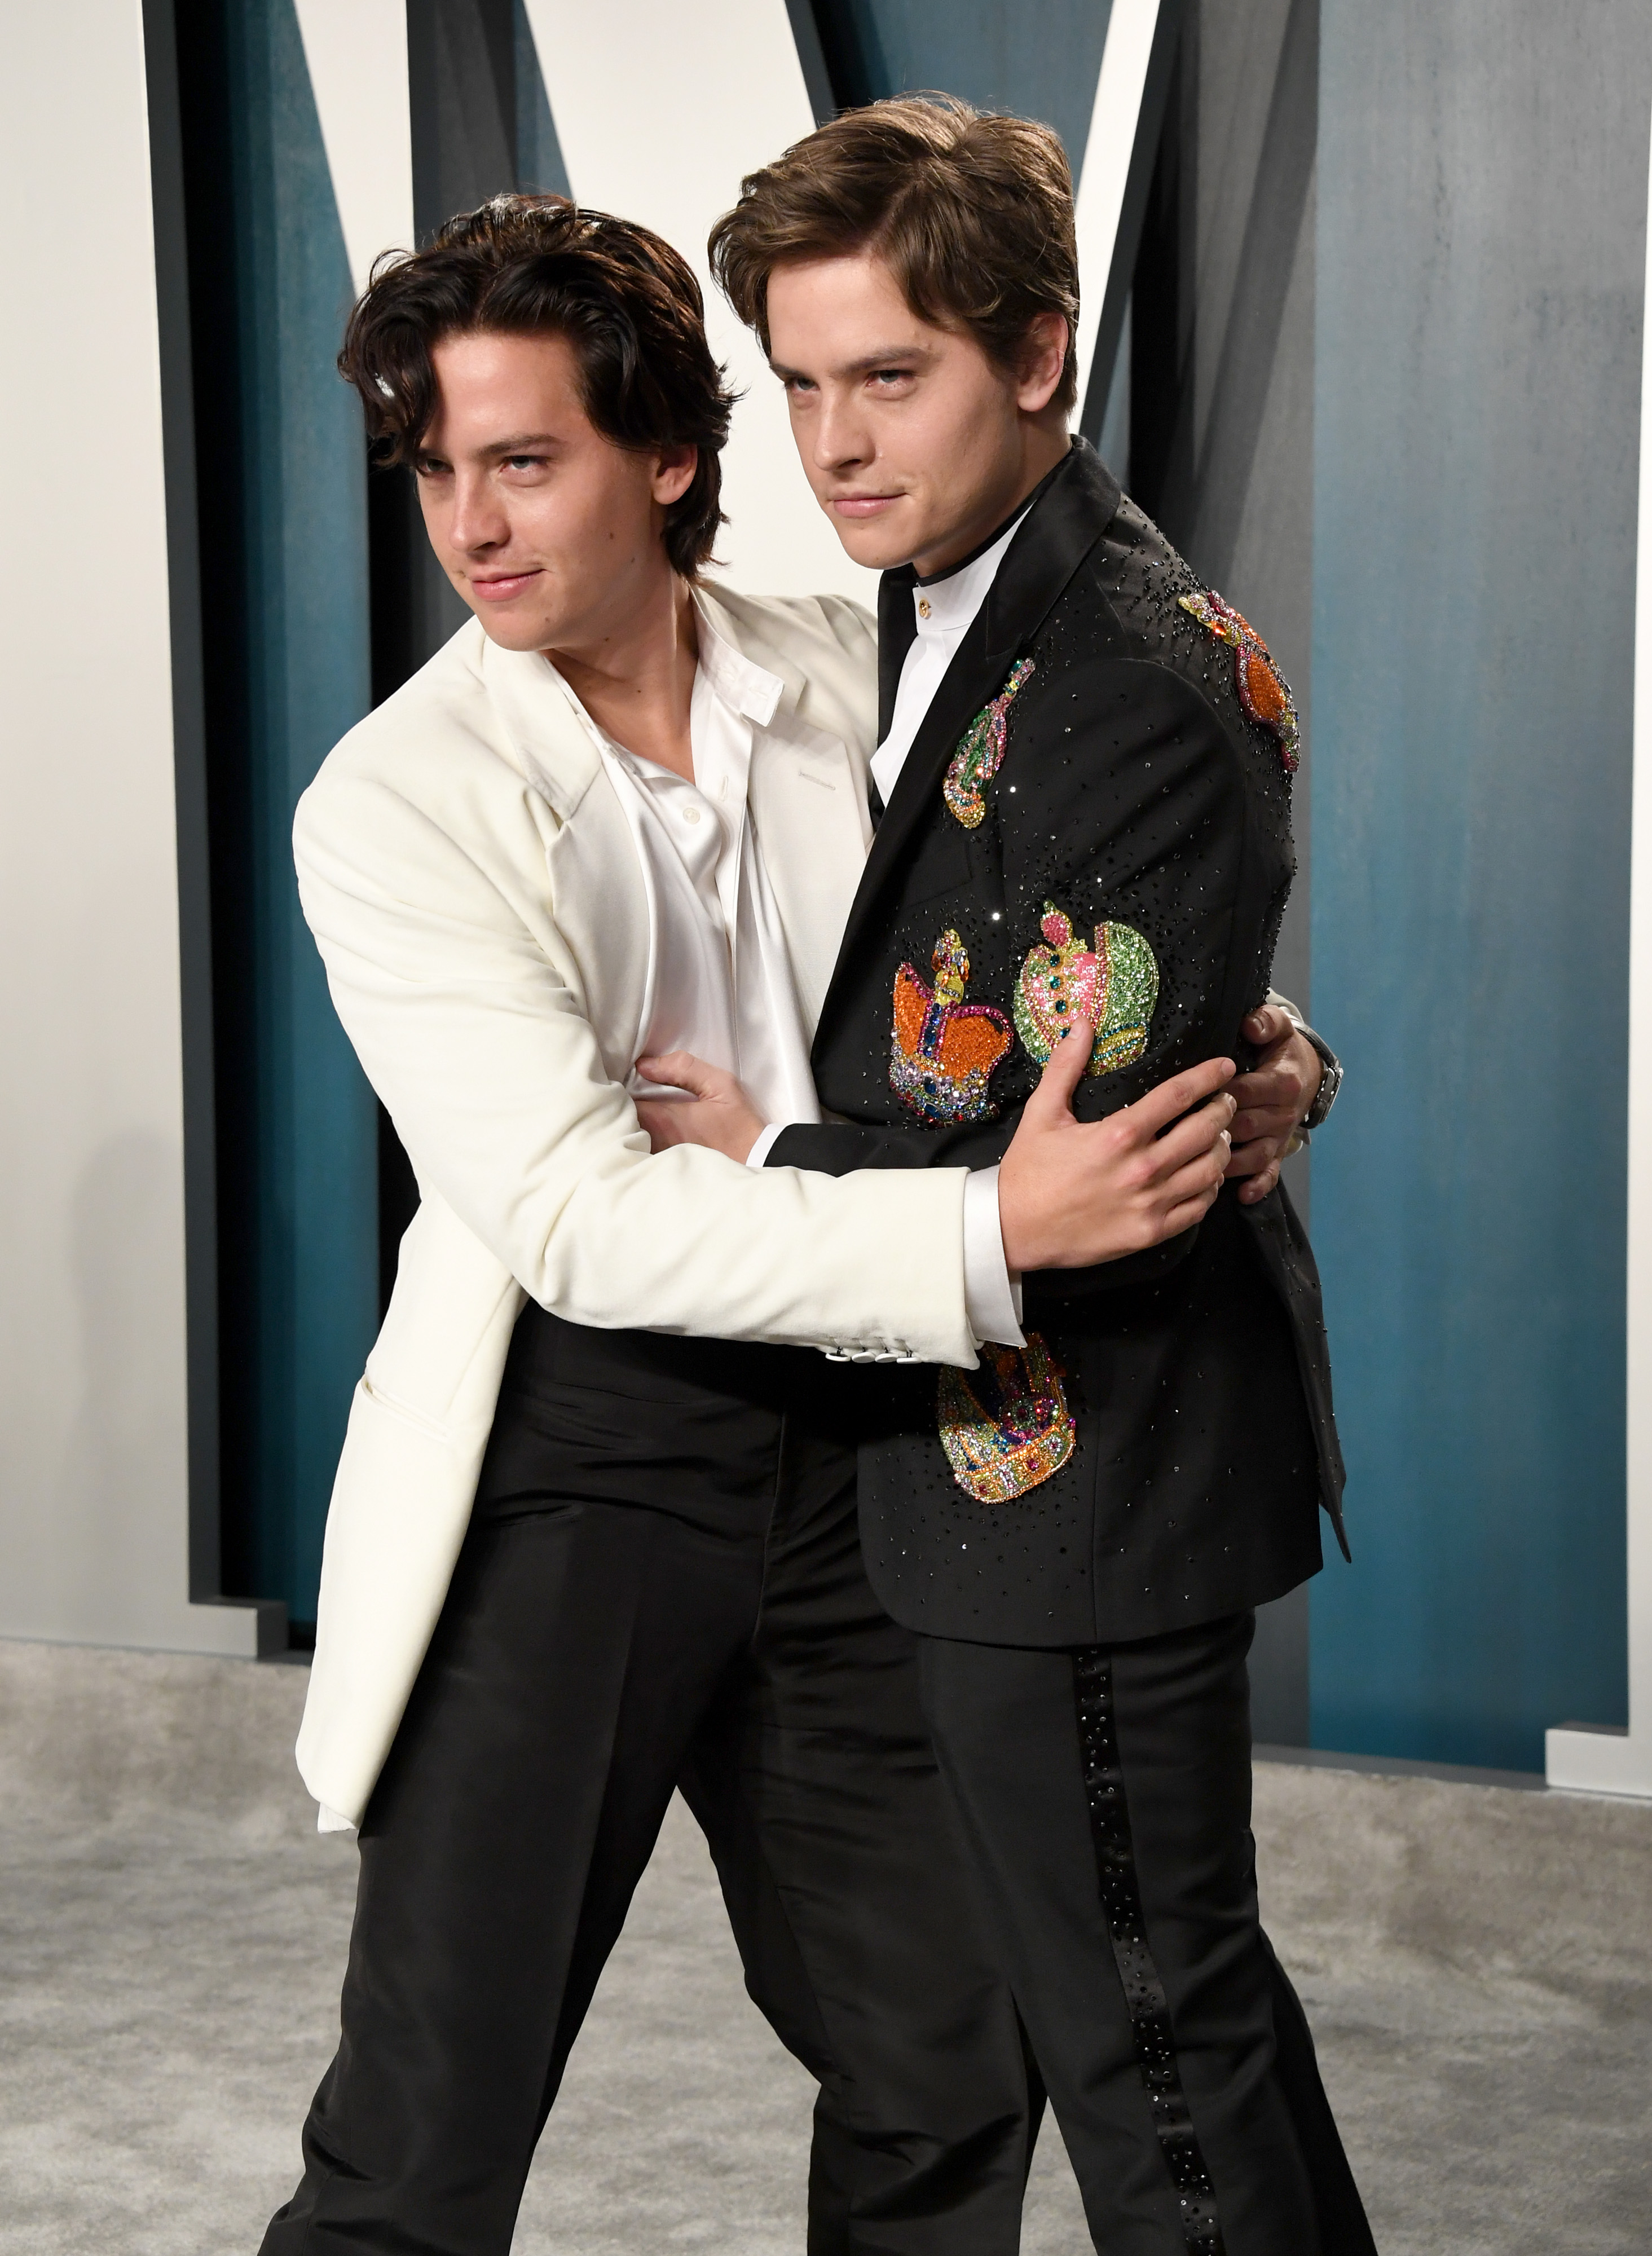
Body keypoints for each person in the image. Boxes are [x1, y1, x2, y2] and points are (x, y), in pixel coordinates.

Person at [258, 195, 1259, 2254]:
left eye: (521, 458)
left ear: (671, 456)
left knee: (939, 2065)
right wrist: (993, 1231)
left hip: (862, 1460)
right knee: (426, 2130)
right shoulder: (394, 800)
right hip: (575, 1460)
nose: (470, 521)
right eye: (437, 467)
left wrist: (1262, 1058)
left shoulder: (855, 669)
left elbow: (1046, 952)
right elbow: (580, 1225)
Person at [640, 96, 1372, 2255]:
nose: (833, 440)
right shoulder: (922, 595)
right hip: (968, 1473)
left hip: (1082, 1469)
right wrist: (1283, 1053)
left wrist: (760, 1143)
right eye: (795, 381)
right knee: (1143, 2021)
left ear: (1034, 353)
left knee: (1146, 2045)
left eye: (890, 374)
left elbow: (1078, 1163)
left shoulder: (1128, 671)